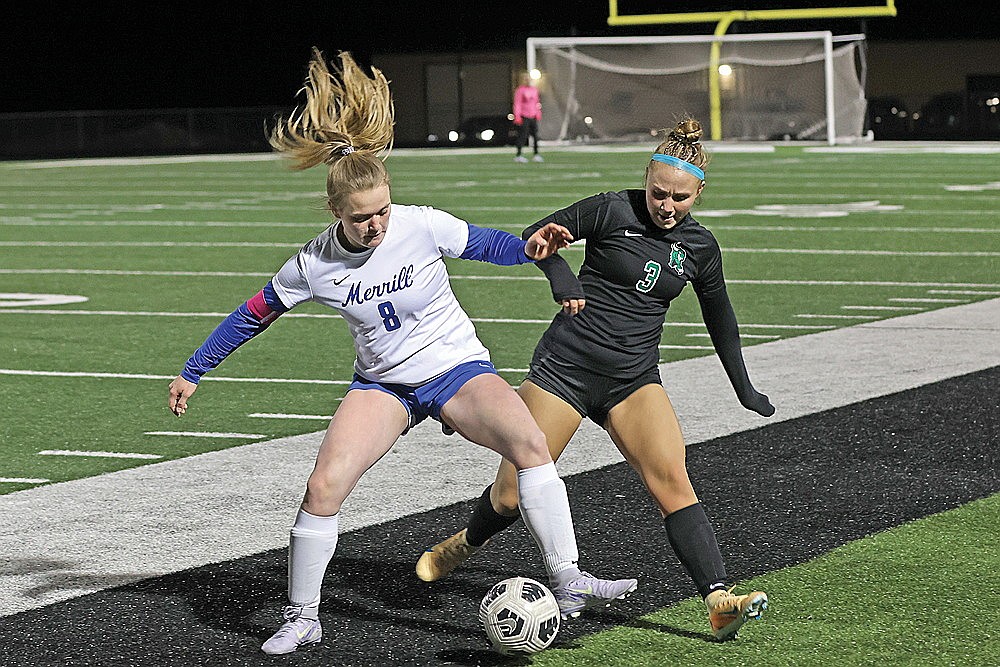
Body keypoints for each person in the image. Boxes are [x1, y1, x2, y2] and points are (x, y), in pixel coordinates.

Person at [166, 48, 637, 656]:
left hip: (457, 370)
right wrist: (194, 370)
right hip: (384, 386)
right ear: (337, 211)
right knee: (322, 489)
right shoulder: (315, 263)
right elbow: (252, 315)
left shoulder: (418, 224)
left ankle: (568, 578)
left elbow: (490, 244)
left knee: (530, 445)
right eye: (362, 216)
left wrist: (533, 247)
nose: (377, 224)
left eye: (383, 209)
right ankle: (303, 615)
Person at [417, 118, 774, 641]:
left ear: (700, 192)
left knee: (673, 480)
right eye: (658, 193)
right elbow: (538, 238)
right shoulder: (610, 208)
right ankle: (465, 543)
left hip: (633, 379)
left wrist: (743, 387)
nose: (667, 206)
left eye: (680, 198)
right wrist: (563, 278)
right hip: (566, 370)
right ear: (646, 182)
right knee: (513, 496)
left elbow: (720, 316)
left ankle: (718, 600)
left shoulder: (700, 246)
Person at [513, 72, 542, 163]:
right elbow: (517, 104)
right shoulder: (520, 90)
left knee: (535, 136)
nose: (528, 81)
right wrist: (517, 116)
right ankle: (519, 155)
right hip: (524, 116)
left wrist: (538, 112)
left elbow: (536, 102)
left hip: (532, 116)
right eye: (526, 79)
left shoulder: (534, 90)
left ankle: (536, 154)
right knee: (522, 135)